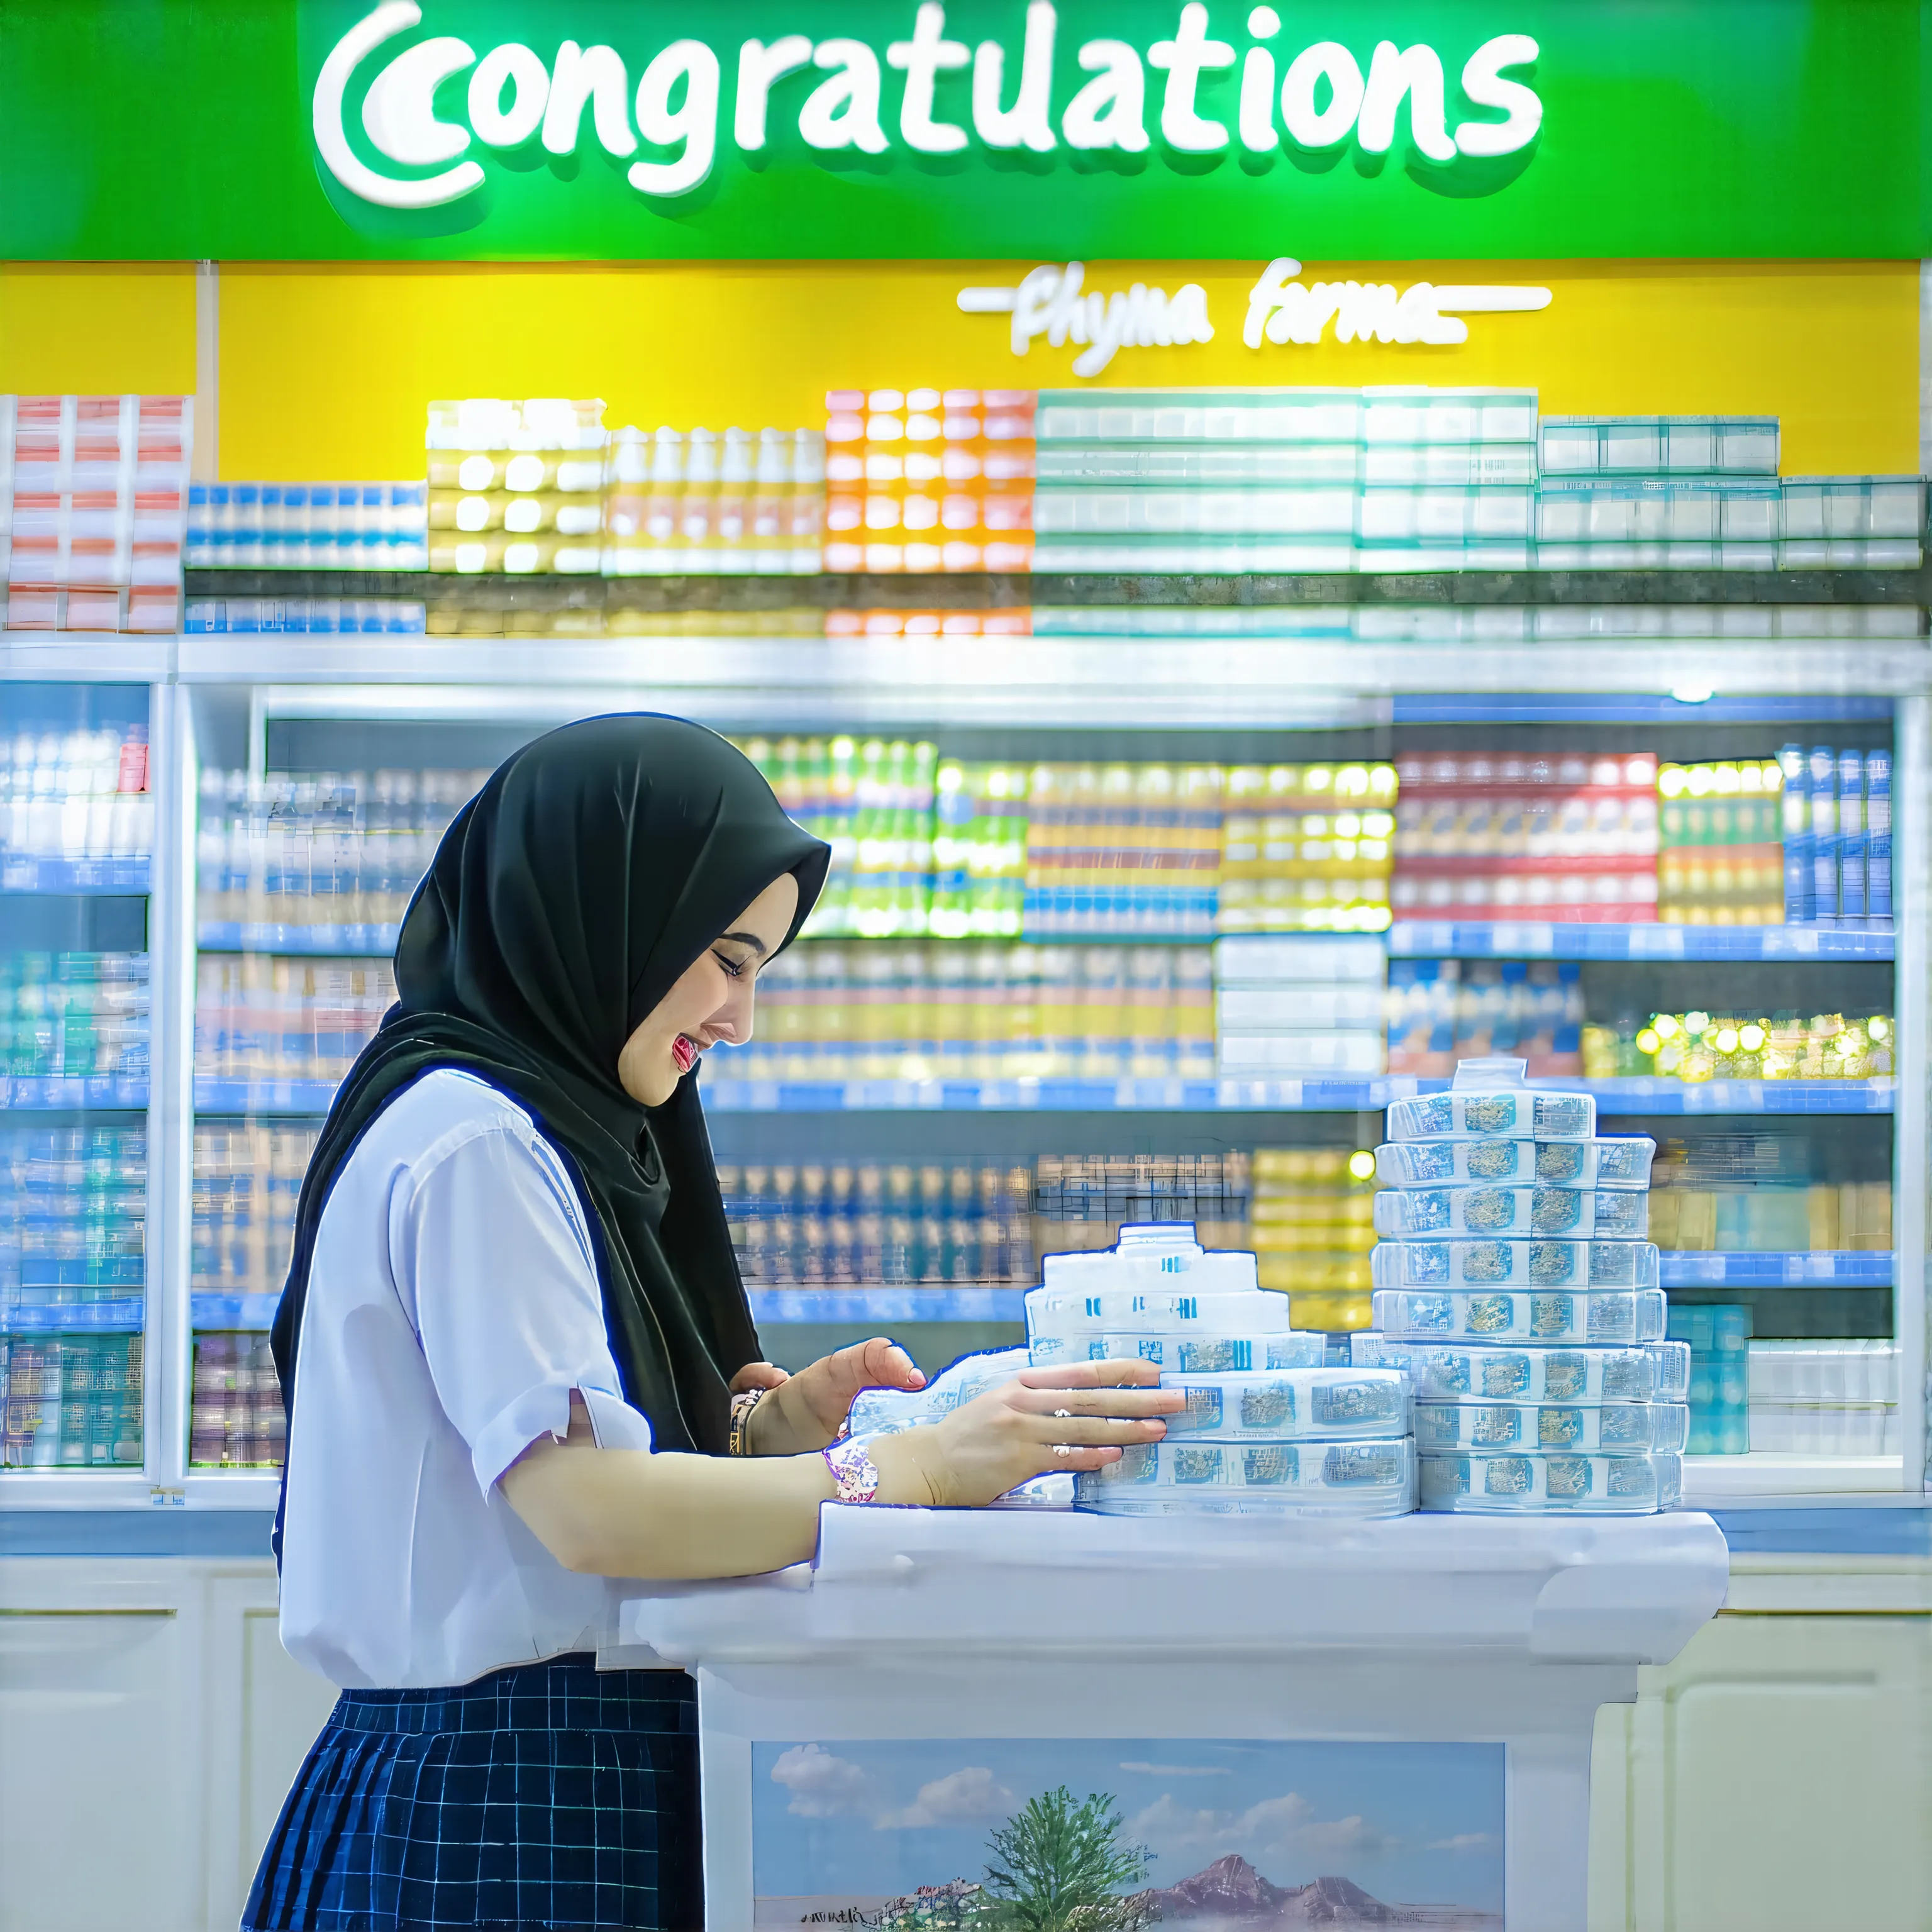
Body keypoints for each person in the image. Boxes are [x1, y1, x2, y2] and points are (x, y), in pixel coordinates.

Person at [242, 714, 1179, 1932]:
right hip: (500, 1807)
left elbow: (546, 1474)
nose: (739, 1016)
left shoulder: (530, 1123)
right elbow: (586, 1511)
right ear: (611, 911)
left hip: (525, 1780)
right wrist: (912, 1469)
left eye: (758, 972)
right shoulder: (479, 1145)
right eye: (727, 958)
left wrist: (759, 1433)